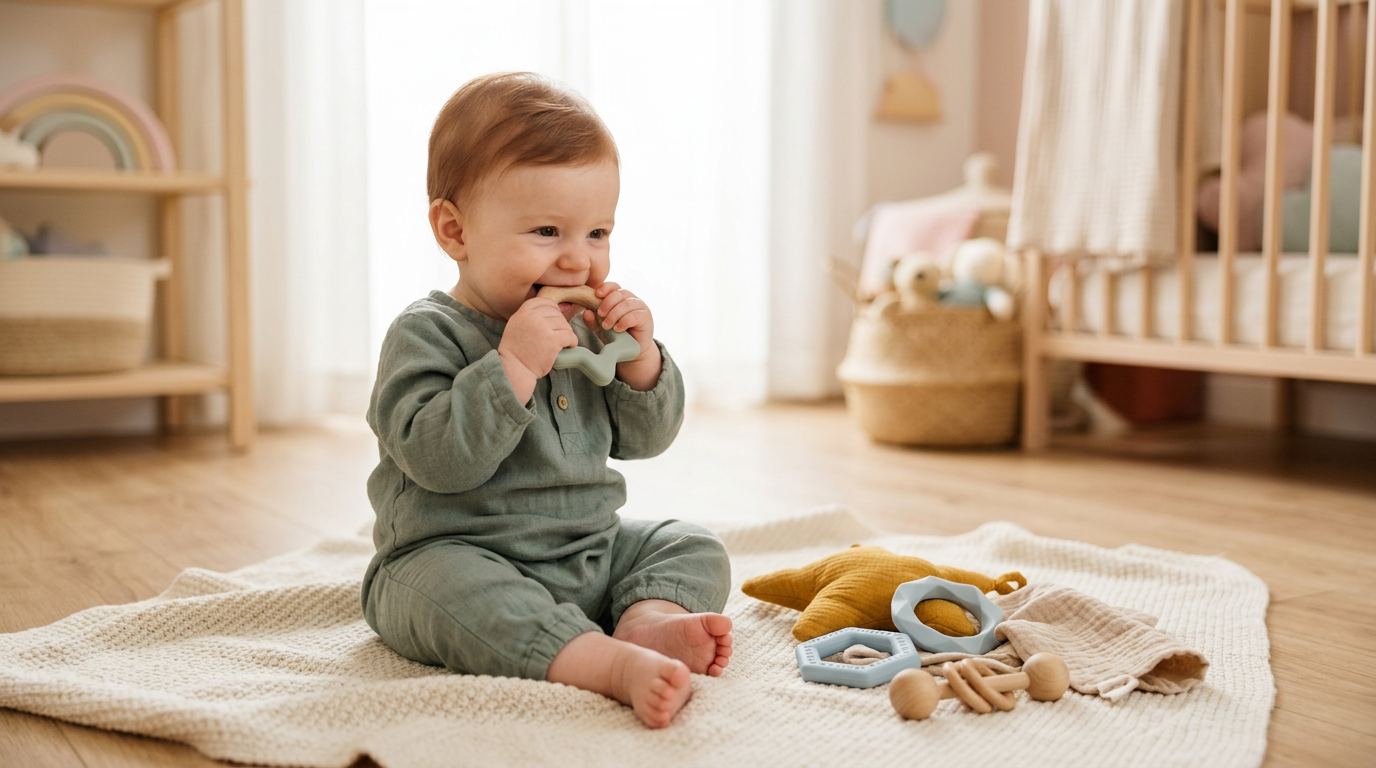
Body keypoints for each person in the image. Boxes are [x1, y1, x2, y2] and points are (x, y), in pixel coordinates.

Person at [361, 72, 733, 729]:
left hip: (588, 551)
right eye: (546, 232)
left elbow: (647, 440)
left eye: (597, 234)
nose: (577, 262)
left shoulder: (589, 331)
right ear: (454, 231)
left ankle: (648, 622)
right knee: (452, 596)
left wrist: (640, 360)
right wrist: (511, 365)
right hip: (456, 556)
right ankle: (601, 662)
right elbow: (436, 459)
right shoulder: (426, 332)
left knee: (691, 544)